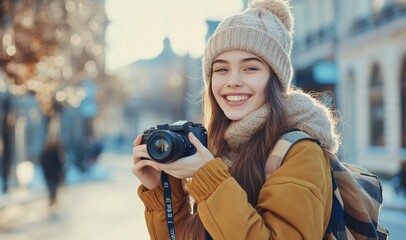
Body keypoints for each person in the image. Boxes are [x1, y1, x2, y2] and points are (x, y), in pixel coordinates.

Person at [132, 0, 340, 239]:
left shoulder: (300, 152)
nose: (233, 80)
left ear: (274, 79)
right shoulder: (219, 147)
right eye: (221, 70)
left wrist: (208, 178)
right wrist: (162, 192)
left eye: (250, 68)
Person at [39, 138, 65, 208]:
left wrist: (60, 173)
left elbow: (59, 164)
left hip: (54, 174)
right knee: (50, 188)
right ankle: (51, 200)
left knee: (54, 188)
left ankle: (53, 200)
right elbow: (42, 163)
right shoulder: (45, 153)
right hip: (48, 174)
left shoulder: (55, 153)